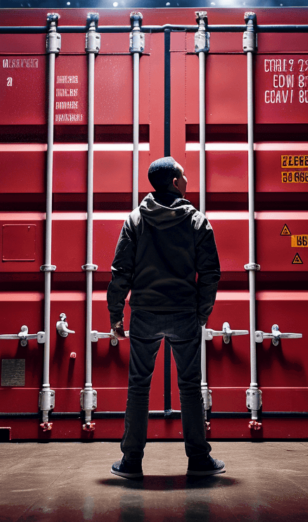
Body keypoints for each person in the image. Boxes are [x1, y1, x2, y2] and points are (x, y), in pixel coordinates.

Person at [106, 157, 224, 480]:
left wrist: (116, 312)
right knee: (189, 387)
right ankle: (198, 459)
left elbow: (120, 272)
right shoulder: (197, 222)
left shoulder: (135, 220)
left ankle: (131, 462)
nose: (187, 181)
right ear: (174, 183)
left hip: (144, 315)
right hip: (185, 314)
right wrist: (202, 311)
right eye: (183, 177)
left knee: (139, 387)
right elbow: (211, 273)